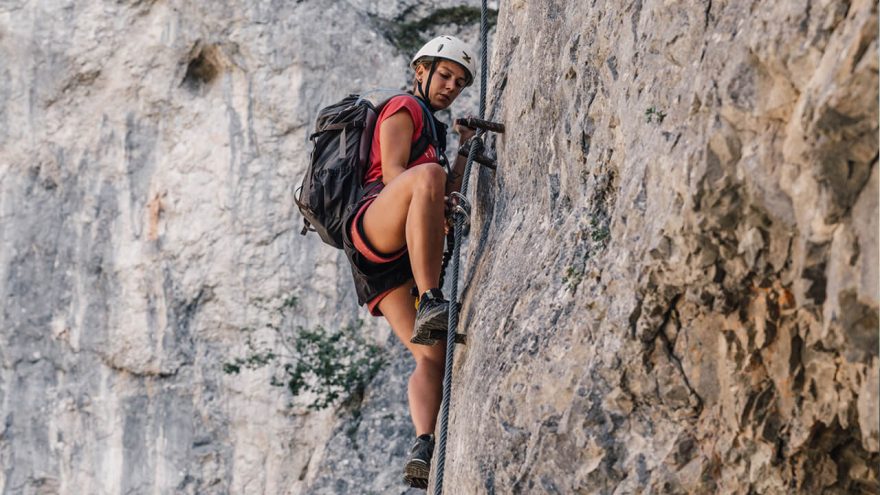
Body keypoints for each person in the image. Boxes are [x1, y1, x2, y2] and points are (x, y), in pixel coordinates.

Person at [340, 35, 476, 489]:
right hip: (374, 224)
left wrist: (463, 148)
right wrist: (434, 183)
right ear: (421, 70)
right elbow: (398, 174)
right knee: (427, 176)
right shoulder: (404, 107)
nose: (451, 87)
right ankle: (432, 298)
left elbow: (443, 192)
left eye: (459, 83)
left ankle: (422, 443)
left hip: (391, 264)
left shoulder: (435, 132)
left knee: (432, 358)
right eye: (445, 75)